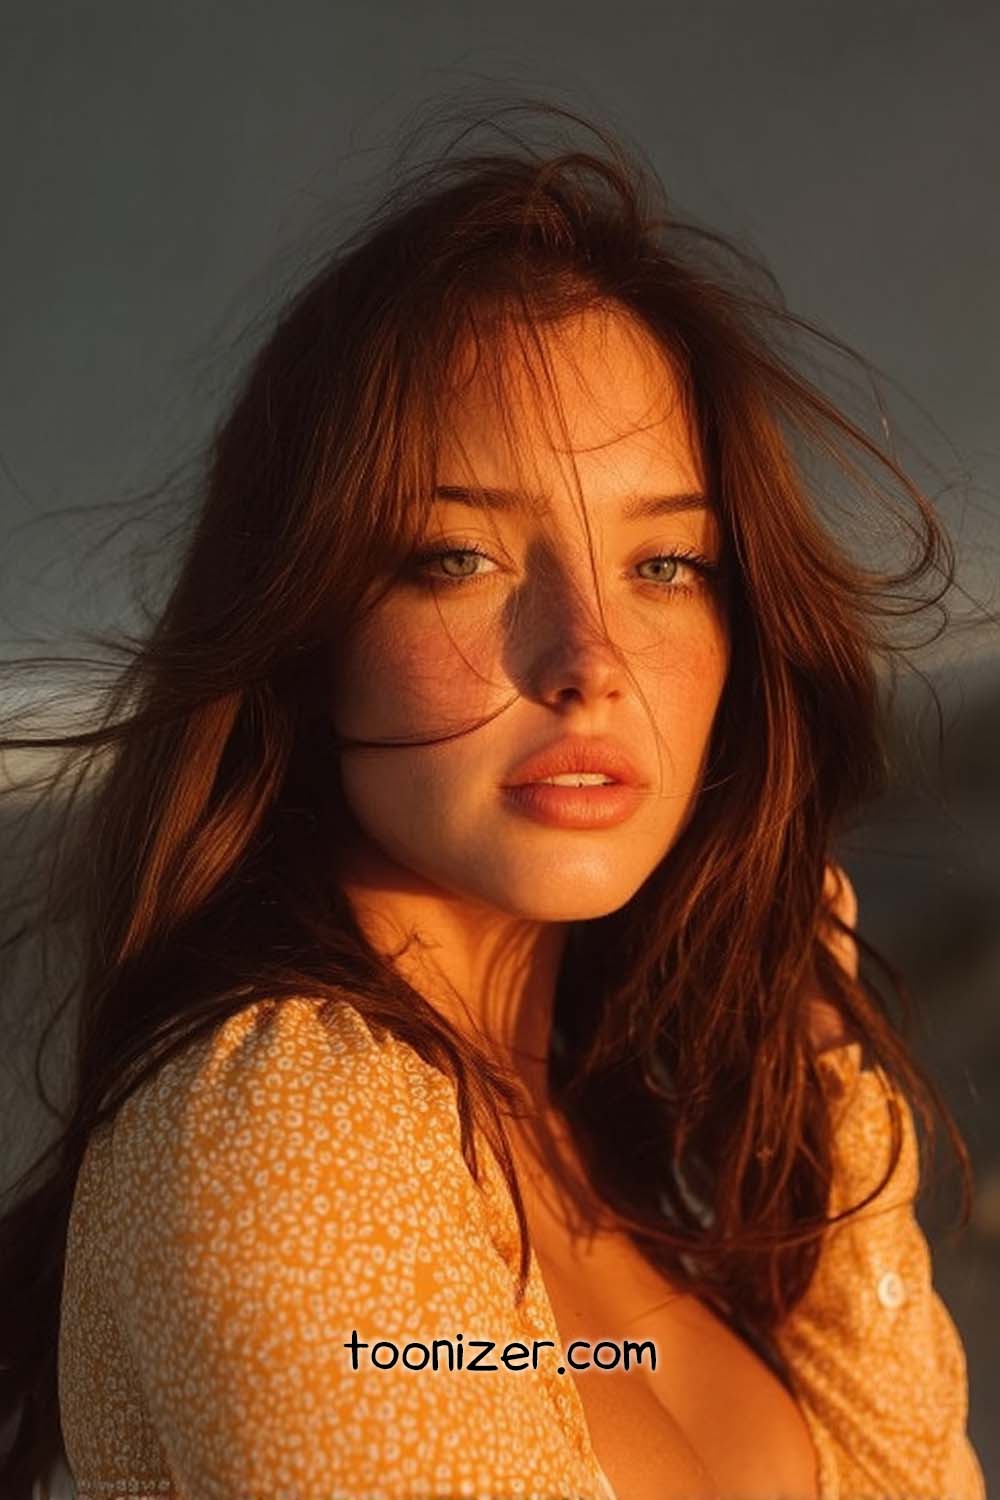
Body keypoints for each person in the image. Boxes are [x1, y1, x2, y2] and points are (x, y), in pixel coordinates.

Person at [0, 95, 987, 1500]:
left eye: (667, 567)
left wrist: (829, 1099)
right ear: (311, 633)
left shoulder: (564, 1143)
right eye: (457, 556)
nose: (591, 662)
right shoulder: (289, 1122)